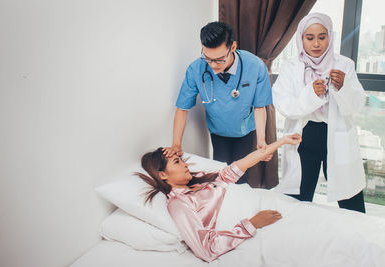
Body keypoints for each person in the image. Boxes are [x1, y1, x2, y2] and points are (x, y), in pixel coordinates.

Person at [137, 134, 301, 262]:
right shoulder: (178, 204)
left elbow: (241, 164)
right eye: (177, 162)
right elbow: (205, 249)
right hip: (257, 223)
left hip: (266, 204)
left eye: (182, 161)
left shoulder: (200, 179)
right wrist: (253, 224)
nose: (185, 164)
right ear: (163, 175)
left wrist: (282, 141)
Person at [272, 12, 366, 213]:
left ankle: (357, 239)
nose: (316, 44)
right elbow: (283, 104)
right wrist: (311, 94)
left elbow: (357, 105)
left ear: (329, 37)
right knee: (296, 199)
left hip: (337, 135)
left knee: (351, 201)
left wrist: (343, 88)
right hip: (304, 137)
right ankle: (295, 238)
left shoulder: (344, 65)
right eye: (310, 38)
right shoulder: (291, 67)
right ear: (301, 39)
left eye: (322, 37)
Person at [163, 21, 273, 184]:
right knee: (220, 177)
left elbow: (259, 106)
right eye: (208, 59)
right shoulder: (196, 69)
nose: (213, 65)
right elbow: (182, 108)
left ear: (233, 47)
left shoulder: (255, 66)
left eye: (220, 59)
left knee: (241, 178)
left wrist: (261, 140)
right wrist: (176, 143)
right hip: (218, 132)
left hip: (245, 132)